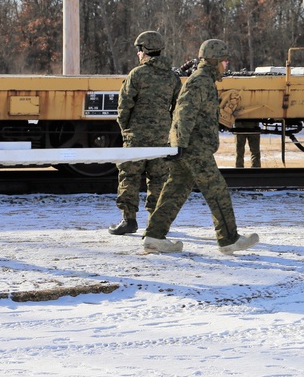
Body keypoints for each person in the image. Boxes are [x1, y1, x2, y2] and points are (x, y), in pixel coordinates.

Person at [142, 39, 259, 254]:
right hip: (194, 149)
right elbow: (184, 113)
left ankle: (154, 237)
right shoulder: (201, 81)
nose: (227, 64)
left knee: (173, 192)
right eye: (224, 60)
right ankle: (229, 239)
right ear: (214, 61)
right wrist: (180, 145)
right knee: (217, 191)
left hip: (189, 148)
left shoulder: (204, 80)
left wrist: (179, 146)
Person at [108, 31, 182, 235]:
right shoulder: (172, 78)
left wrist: (126, 130)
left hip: (136, 138)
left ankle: (128, 220)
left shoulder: (137, 75)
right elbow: (178, 109)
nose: (138, 54)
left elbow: (123, 108)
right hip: (162, 138)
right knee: (159, 179)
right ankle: (155, 222)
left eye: (139, 50)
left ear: (146, 51)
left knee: (129, 177)